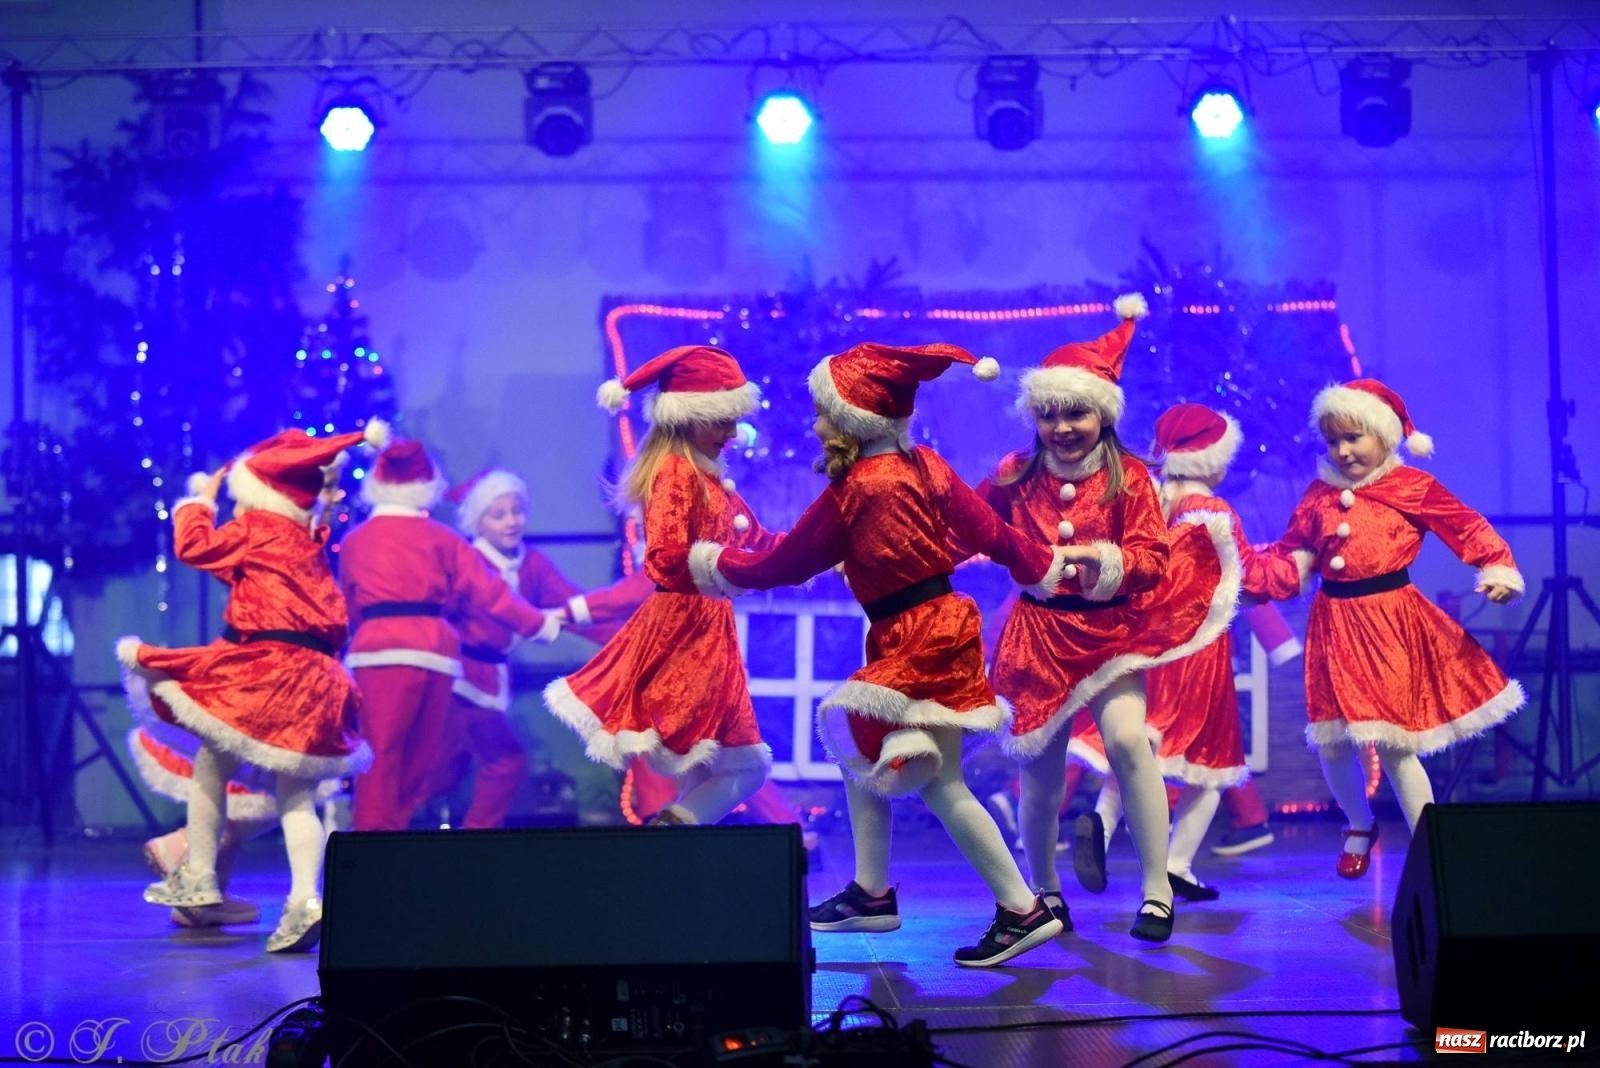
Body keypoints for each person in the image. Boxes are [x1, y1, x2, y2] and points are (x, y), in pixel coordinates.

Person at [694, 340, 1069, 968]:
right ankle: (872, 893)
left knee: (941, 783)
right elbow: (992, 533)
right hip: (928, 630)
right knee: (860, 749)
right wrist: (1038, 565)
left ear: (852, 417)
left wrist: (716, 564)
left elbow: (786, 563)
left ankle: (1022, 909)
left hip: (921, 636)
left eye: (823, 411)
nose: (816, 423)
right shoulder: (927, 466)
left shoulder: (860, 487)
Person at [981, 294, 1241, 943]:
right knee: (1039, 775)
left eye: (1076, 412)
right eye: (1049, 414)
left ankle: (1157, 890)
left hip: (1106, 637)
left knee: (1129, 741)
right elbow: (971, 528)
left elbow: (1152, 558)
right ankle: (1044, 892)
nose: (1063, 426)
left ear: (1104, 412)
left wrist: (1107, 561)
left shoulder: (1132, 478)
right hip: (1039, 639)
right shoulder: (1014, 474)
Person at [117, 422, 384, 953]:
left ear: (256, 495)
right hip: (320, 678)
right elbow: (247, 577)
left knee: (212, 765)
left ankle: (198, 874)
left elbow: (195, 547)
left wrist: (200, 499)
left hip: (268, 670)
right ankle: (306, 898)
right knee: (297, 798)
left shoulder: (257, 529)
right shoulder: (304, 543)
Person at [1264, 378, 1525, 877]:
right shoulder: (1319, 494)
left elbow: (1467, 526)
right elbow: (1294, 548)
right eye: (1333, 442)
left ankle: (1432, 847)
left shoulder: (1412, 487)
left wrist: (1496, 568)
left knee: (1393, 741)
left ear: (1383, 435)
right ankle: (1358, 823)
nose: (1342, 451)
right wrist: (1263, 573)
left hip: (1387, 622)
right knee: (1334, 738)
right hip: (1333, 624)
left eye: (1353, 438)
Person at [543, 345, 777, 827]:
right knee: (735, 765)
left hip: (709, 630)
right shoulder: (675, 472)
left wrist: (829, 551)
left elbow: (758, 540)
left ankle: (677, 857)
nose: (733, 435)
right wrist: (725, 566)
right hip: (685, 633)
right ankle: (666, 842)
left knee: (714, 766)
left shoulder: (710, 478)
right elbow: (664, 559)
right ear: (688, 416)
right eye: (722, 421)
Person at [1088, 404, 1301, 901]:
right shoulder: (1215, 510)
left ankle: (1100, 823)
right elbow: (1253, 577)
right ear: (1214, 461)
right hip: (1200, 650)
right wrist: (1297, 566)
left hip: (1155, 646)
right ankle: (1177, 864)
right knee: (1213, 761)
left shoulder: (1155, 505)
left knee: (1149, 745)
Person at [339, 441, 561, 831]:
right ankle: (391, 843)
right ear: (427, 484)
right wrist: (536, 624)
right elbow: (489, 592)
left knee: (381, 757)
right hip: (434, 652)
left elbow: (350, 604)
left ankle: (374, 850)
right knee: (419, 760)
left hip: (378, 651)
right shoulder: (442, 539)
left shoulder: (357, 540)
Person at [445, 468, 653, 828]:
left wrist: (631, 645)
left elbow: (575, 607)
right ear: (478, 523)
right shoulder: (468, 563)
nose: (512, 521)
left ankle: (470, 842)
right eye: (499, 515)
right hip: (455, 681)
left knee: (491, 763)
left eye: (517, 511)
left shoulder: (532, 564)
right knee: (472, 765)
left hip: (491, 681)